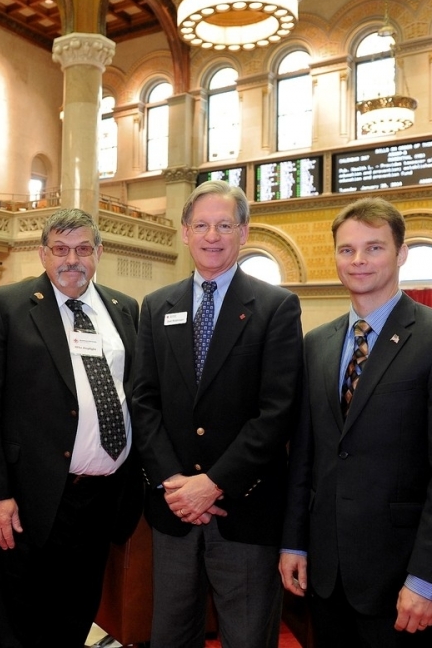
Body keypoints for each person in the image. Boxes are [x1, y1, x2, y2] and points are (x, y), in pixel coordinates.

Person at [280, 197, 432, 647]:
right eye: (347, 249)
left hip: (403, 579)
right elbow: (305, 458)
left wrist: (428, 578)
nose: (358, 260)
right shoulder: (316, 343)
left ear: (401, 253)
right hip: (326, 573)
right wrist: (294, 543)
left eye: (374, 248)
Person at [131, 180, 303, 647]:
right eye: (202, 225)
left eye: (224, 225)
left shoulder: (276, 307)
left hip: (245, 512)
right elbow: (142, 400)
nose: (212, 235)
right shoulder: (156, 306)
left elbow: (277, 412)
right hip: (174, 513)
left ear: (243, 233)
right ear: (185, 233)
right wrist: (173, 481)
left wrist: (213, 483)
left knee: (248, 638)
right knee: (170, 636)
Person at [0, 208, 141, 648]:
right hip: (27, 501)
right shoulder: (6, 306)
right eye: (60, 249)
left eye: (82, 249)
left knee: (75, 615)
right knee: (18, 624)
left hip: (101, 500)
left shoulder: (123, 309)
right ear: (43, 254)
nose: (71, 260)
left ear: (98, 252)